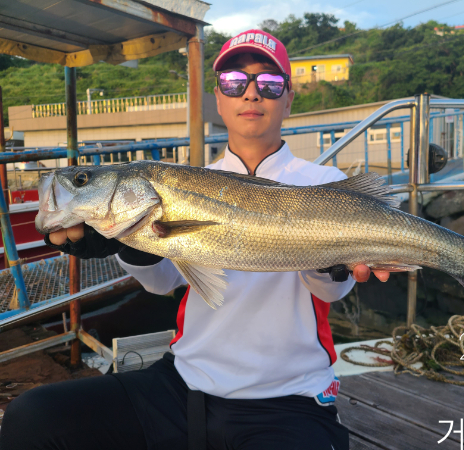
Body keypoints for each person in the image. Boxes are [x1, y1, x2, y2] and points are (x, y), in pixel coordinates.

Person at [0, 30, 390, 450]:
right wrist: (128, 240)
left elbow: (331, 292)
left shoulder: (325, 185)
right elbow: (163, 282)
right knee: (32, 417)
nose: (252, 93)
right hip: (184, 382)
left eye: (270, 83)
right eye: (234, 82)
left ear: (289, 99)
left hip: (289, 396)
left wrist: (331, 256)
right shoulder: (187, 180)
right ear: (218, 98)